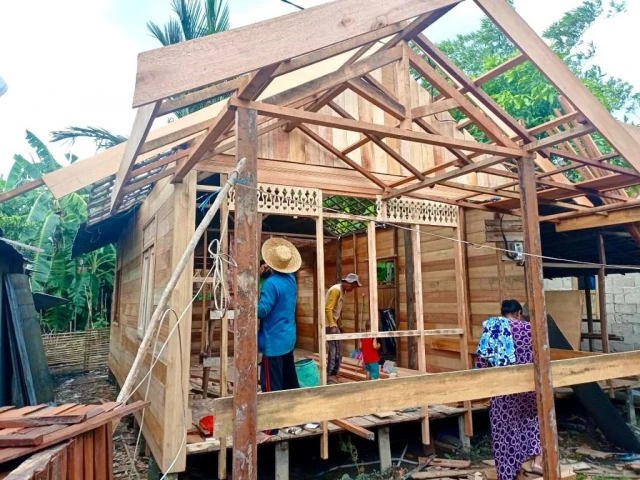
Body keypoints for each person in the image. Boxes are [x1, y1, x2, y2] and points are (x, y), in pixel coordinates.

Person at [476, 300, 542, 480]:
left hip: (503, 389)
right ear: (519, 313)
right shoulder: (530, 329)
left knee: (504, 432)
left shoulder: (493, 328)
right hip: (527, 387)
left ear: (503, 313)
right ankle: (537, 461)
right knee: (532, 422)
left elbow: (483, 359)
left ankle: (509, 472)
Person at [258, 238, 301, 395]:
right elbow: (278, 286)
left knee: (271, 386)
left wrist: (245, 307)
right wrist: (265, 275)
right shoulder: (291, 279)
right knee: (288, 380)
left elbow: (262, 310)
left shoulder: (271, 284)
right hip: (287, 337)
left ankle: (275, 409)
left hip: (273, 341)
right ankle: (292, 406)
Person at [325, 273, 361, 382]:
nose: (352, 289)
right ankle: (331, 375)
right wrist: (332, 325)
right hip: (328, 324)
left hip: (332, 323)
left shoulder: (341, 291)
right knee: (337, 350)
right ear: (348, 282)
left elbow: (337, 311)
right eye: (352, 287)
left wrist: (340, 325)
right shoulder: (336, 290)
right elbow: (328, 309)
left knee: (335, 350)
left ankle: (330, 373)